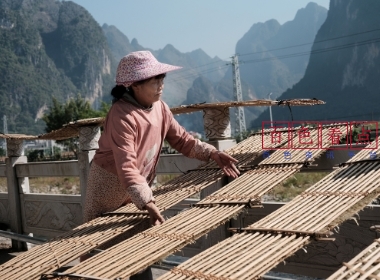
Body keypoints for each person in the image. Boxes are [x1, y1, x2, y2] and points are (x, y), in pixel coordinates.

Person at [82, 51, 240, 279]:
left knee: (138, 247)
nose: (160, 84)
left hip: (137, 189)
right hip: (107, 189)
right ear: (135, 85)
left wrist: (213, 153)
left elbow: (183, 140)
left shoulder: (161, 109)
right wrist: (147, 201)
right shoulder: (121, 116)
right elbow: (126, 165)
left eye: (161, 78)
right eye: (154, 80)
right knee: (100, 249)